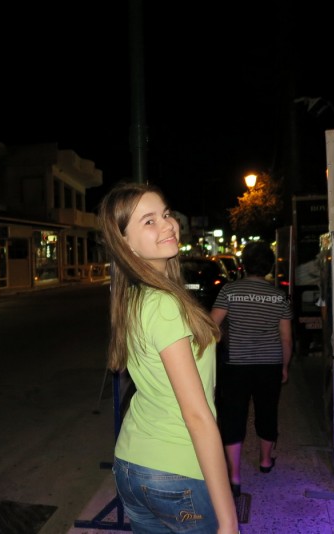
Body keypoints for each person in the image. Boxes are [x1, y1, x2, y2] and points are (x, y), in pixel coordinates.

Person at [100, 182, 239, 534]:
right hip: (175, 472)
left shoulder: (135, 296)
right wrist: (228, 520)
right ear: (125, 243)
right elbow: (196, 416)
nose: (168, 225)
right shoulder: (163, 304)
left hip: (132, 464)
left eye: (165, 214)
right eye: (149, 221)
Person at [210, 240, 293, 498]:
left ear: (244, 264)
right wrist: (285, 366)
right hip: (269, 363)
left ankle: (234, 475)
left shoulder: (229, 291)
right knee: (267, 411)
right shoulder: (279, 296)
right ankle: (266, 461)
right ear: (268, 266)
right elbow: (286, 338)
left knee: (233, 415)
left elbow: (212, 326)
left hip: (236, 365)